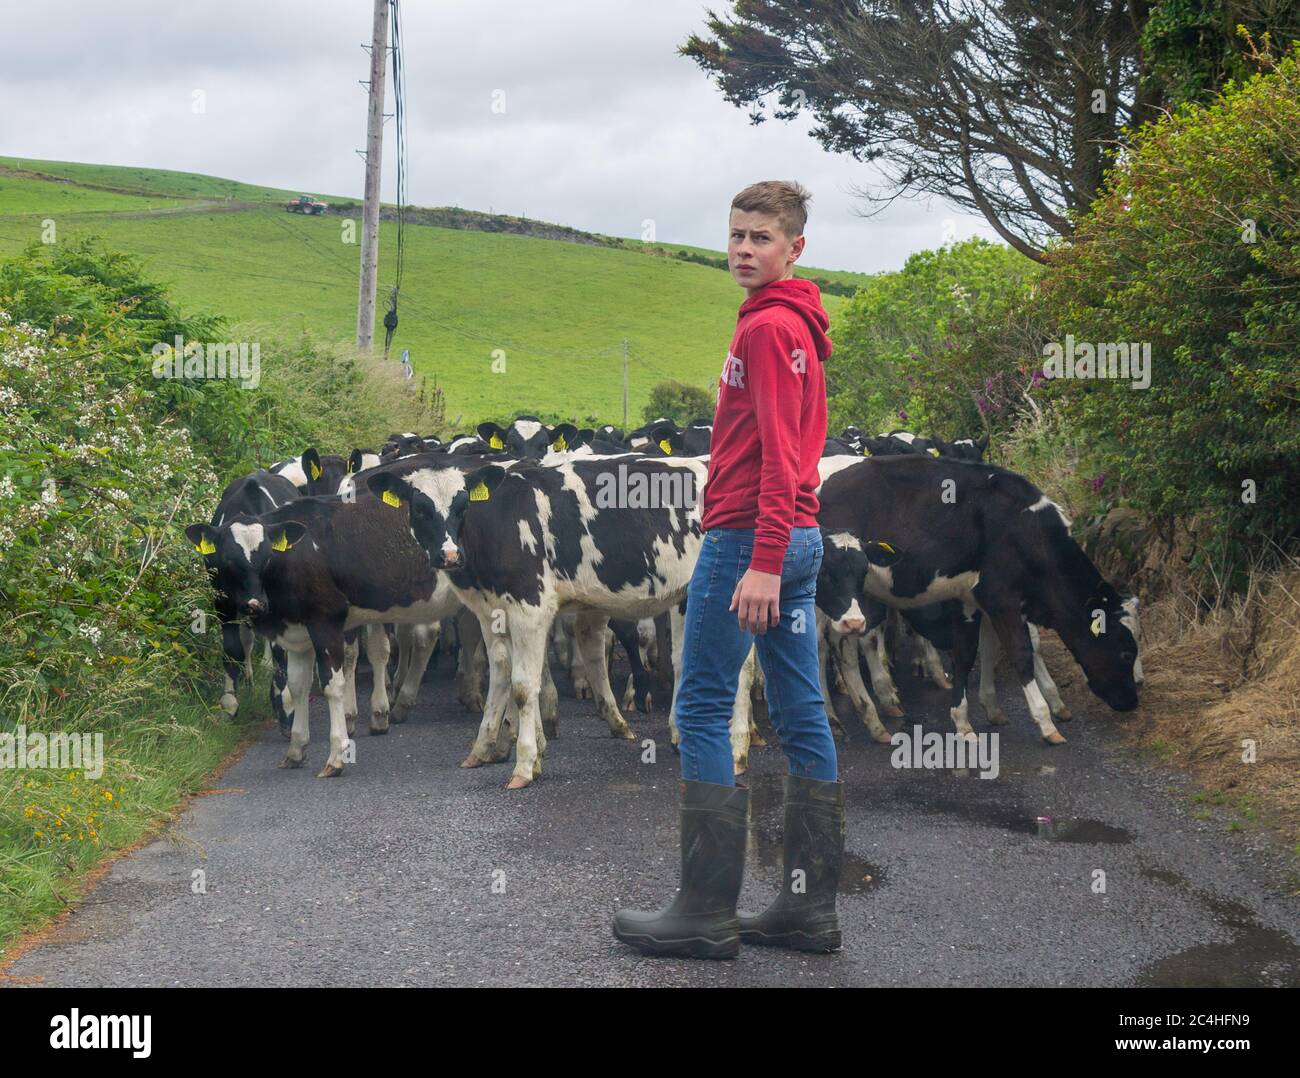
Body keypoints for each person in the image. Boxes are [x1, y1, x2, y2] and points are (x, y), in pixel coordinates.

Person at [612, 180, 842, 959]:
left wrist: (764, 564)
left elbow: (782, 458)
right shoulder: (796, 326)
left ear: (794, 248)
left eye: (762, 238)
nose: (744, 249)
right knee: (801, 709)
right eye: (737, 234)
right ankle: (807, 910)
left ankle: (705, 912)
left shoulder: (772, 330)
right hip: (797, 538)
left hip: (754, 542)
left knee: (703, 708)